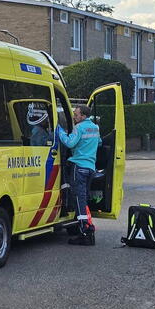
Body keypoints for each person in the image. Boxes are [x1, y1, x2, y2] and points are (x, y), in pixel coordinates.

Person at [57, 104, 102, 246]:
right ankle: (87, 227)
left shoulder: (79, 127)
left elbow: (70, 143)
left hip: (79, 167)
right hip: (90, 168)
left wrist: (59, 131)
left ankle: (84, 232)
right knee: (83, 199)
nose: (74, 117)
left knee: (78, 200)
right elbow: (99, 143)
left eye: (76, 114)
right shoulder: (95, 128)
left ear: (83, 116)